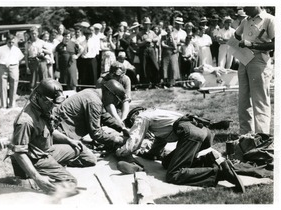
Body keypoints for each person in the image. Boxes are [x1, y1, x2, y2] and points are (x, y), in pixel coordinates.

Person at [116, 107, 245, 193]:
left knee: (174, 175)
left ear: (134, 116)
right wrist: (150, 154)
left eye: (131, 122)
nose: (133, 124)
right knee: (167, 163)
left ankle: (220, 172)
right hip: (204, 133)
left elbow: (134, 141)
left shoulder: (142, 117)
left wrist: (119, 152)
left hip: (191, 134)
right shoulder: (158, 114)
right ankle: (209, 161)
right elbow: (160, 141)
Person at [9, 79, 96, 195]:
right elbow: (18, 153)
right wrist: (37, 178)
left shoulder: (43, 107)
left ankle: (51, 169)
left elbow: (50, 130)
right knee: (70, 184)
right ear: (39, 97)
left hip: (46, 151)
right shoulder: (25, 121)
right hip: (34, 158)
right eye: (49, 103)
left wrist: (69, 140)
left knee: (87, 156)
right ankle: (28, 181)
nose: (52, 107)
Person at [53, 79, 130, 151]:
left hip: (59, 127)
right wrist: (119, 139)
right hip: (58, 132)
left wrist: (122, 128)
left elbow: (104, 116)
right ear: (110, 94)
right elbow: (96, 133)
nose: (114, 103)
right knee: (89, 158)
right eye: (116, 100)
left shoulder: (93, 93)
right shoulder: (94, 101)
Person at [234, 7, 275, 135]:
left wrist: (253, 45)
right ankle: (245, 135)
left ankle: (262, 137)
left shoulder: (269, 19)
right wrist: (242, 41)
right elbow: (236, 34)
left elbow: (276, 43)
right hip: (244, 59)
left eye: (246, 6)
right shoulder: (246, 20)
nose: (244, 9)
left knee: (260, 100)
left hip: (259, 60)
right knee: (243, 100)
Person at [0, 34, 24, 109]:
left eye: (12, 42)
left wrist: (14, 66)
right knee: (3, 86)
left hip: (13, 67)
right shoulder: (1, 49)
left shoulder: (17, 49)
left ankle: (12, 104)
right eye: (9, 42)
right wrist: (1, 65)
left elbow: (20, 59)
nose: (11, 44)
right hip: (3, 67)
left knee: (14, 85)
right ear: (6, 41)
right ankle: (3, 105)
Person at [25, 27, 51, 91]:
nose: (34, 35)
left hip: (41, 61)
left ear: (37, 33)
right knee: (33, 80)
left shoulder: (42, 42)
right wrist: (27, 67)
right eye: (32, 34)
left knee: (44, 79)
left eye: (35, 33)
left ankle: (45, 93)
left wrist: (43, 51)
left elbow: (49, 52)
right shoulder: (27, 43)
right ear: (30, 34)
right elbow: (26, 56)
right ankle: (33, 94)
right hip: (32, 61)